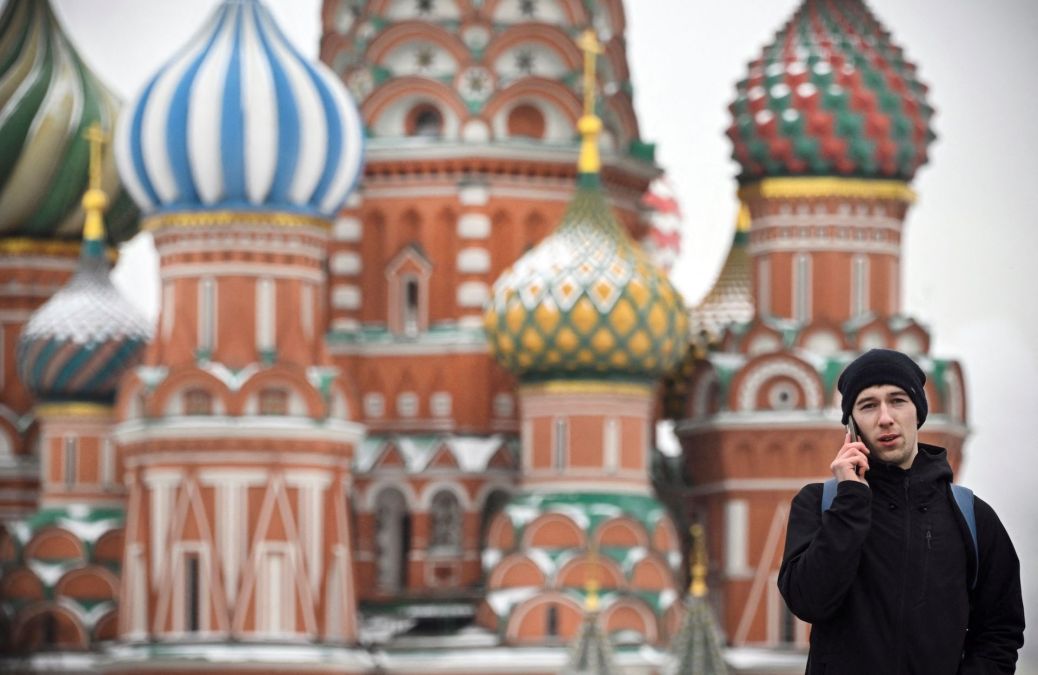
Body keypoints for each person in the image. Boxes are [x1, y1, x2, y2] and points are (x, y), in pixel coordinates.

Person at [778, 348, 1025, 674]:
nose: (885, 418)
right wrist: (851, 501)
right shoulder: (820, 504)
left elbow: (1000, 632)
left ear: (917, 411)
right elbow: (808, 601)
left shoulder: (972, 517)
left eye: (897, 400)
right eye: (868, 405)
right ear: (851, 424)